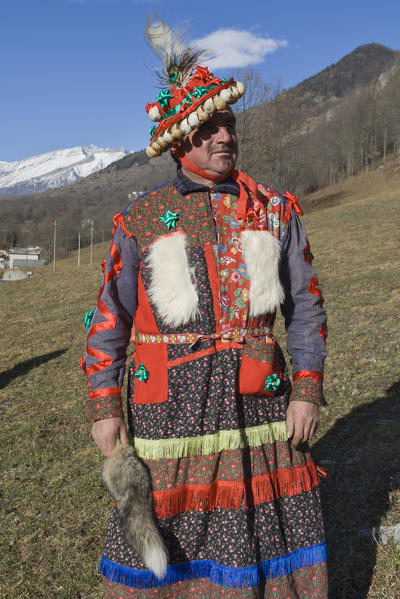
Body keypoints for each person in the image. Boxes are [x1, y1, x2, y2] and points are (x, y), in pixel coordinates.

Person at [82, 18, 328, 599]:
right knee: (175, 535)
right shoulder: (140, 221)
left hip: (259, 406)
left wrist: (307, 389)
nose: (224, 137)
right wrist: (103, 407)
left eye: (229, 124)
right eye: (208, 128)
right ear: (177, 140)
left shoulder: (274, 210)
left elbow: (308, 309)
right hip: (170, 416)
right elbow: (108, 322)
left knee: (261, 533)